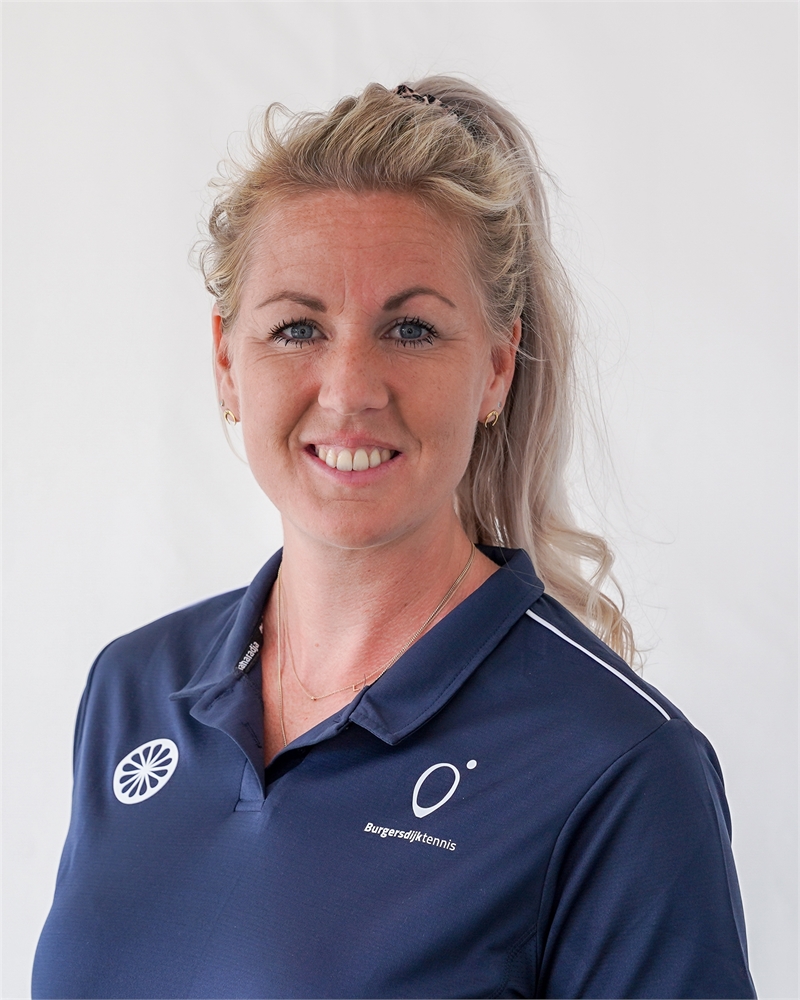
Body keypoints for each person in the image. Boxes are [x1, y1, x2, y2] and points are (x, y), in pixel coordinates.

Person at [32, 77, 756, 1000]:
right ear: (225, 361)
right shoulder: (133, 689)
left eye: (410, 329)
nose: (349, 390)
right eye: (298, 328)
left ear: (497, 367)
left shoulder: (622, 767)